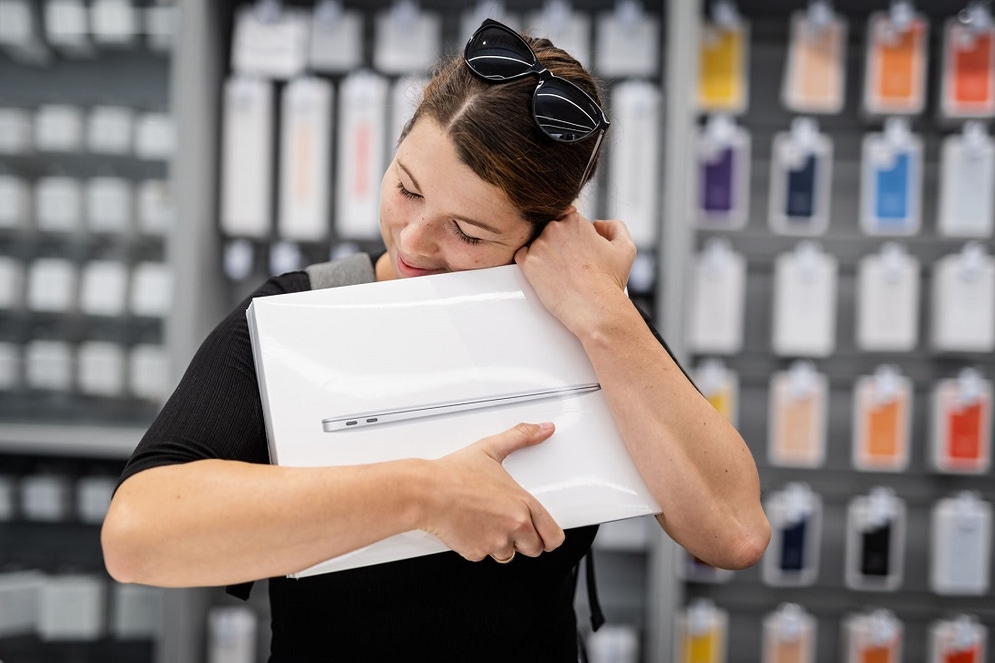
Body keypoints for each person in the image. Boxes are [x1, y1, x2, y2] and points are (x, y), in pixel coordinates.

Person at [102, 18, 769, 662]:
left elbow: (732, 532)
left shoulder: (592, 328)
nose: (415, 241)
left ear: (545, 233)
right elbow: (137, 536)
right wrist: (425, 494)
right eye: (406, 187)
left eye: (468, 232)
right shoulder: (303, 314)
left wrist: (602, 314)